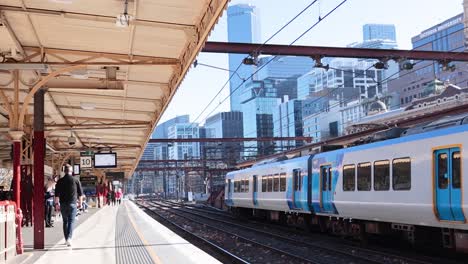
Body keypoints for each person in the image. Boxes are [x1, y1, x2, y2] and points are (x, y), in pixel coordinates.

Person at [54, 164, 83, 247]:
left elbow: (56, 195)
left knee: (65, 221)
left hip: (63, 204)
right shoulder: (76, 180)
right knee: (71, 221)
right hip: (73, 204)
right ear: (71, 171)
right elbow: (80, 194)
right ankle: (69, 239)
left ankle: (66, 239)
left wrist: (56, 204)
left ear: (64, 171)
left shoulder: (60, 181)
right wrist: (80, 204)